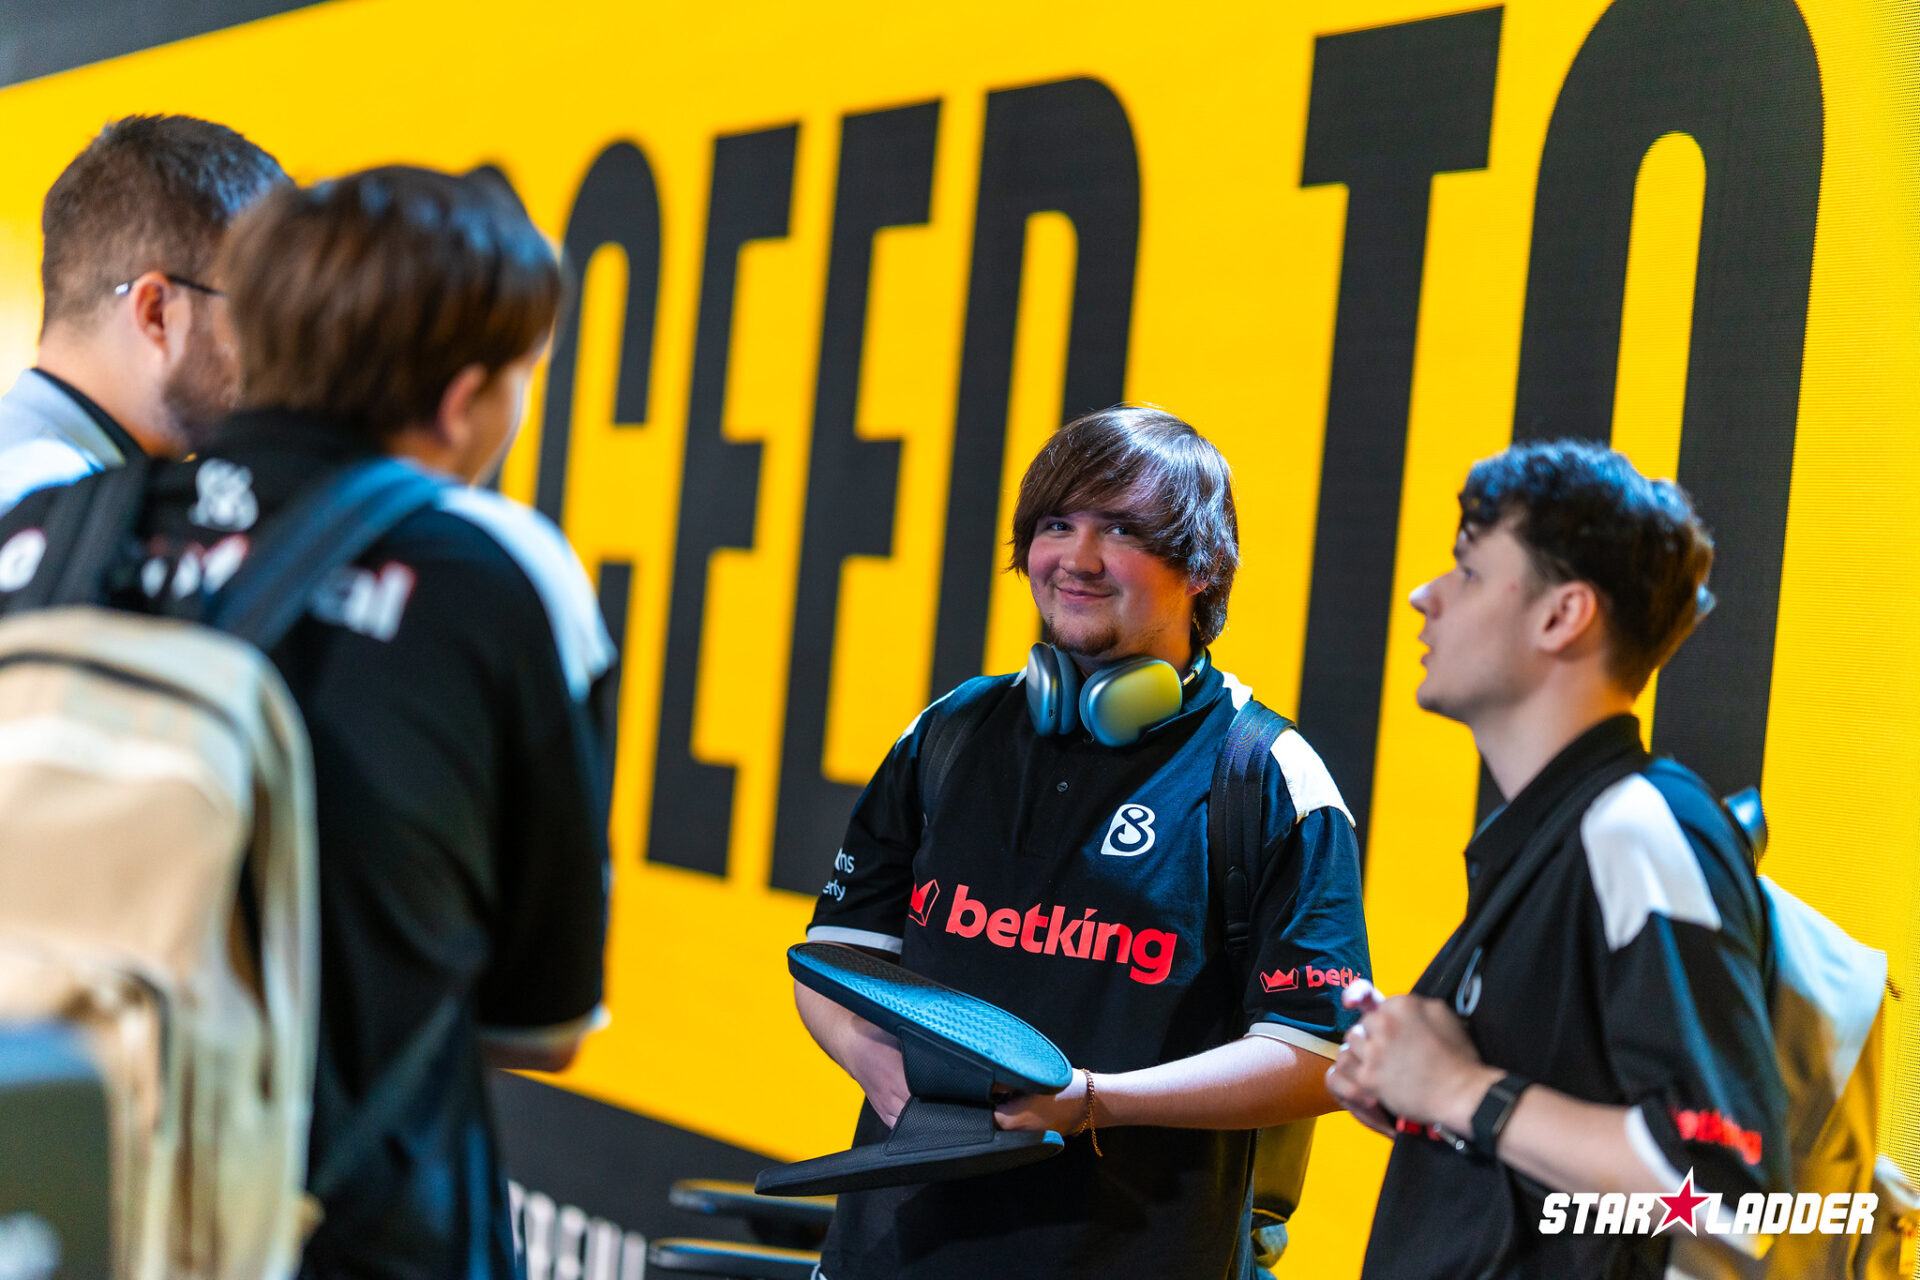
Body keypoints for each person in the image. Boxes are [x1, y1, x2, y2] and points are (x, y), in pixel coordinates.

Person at [0, 166, 614, 1279]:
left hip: (72, 1210)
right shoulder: (494, 576)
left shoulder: (40, 528)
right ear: (463, 399)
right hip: (346, 1236)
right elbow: (542, 1017)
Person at [796, 406, 1372, 1280]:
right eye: (1056, 525)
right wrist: (885, 1075)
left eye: (1123, 530)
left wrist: (1094, 1102)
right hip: (890, 1256)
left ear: (1203, 566)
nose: (1078, 558)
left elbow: (1317, 1055)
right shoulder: (949, 733)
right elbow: (834, 959)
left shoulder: (1266, 775)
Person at [1327, 440, 1790, 1278]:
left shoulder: (1638, 825)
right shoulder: (1555, 831)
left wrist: (1460, 1091)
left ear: (1563, 615)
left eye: (1469, 571)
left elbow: (1725, 1196)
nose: (1425, 595)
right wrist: (1411, 1087)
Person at [0, 114, 285, 514]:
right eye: (256, 314)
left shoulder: (70, 495)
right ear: (157, 313)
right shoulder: (39, 507)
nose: (277, 353)